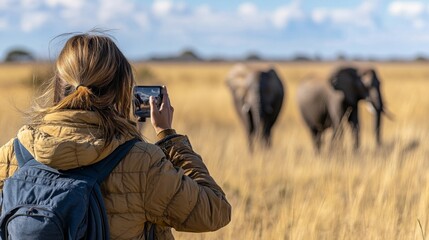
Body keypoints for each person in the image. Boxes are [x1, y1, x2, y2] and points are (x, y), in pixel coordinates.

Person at [0, 32, 231, 239]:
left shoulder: (14, 153)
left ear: (59, 86)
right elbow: (214, 211)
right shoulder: (142, 161)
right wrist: (168, 137)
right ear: (121, 89)